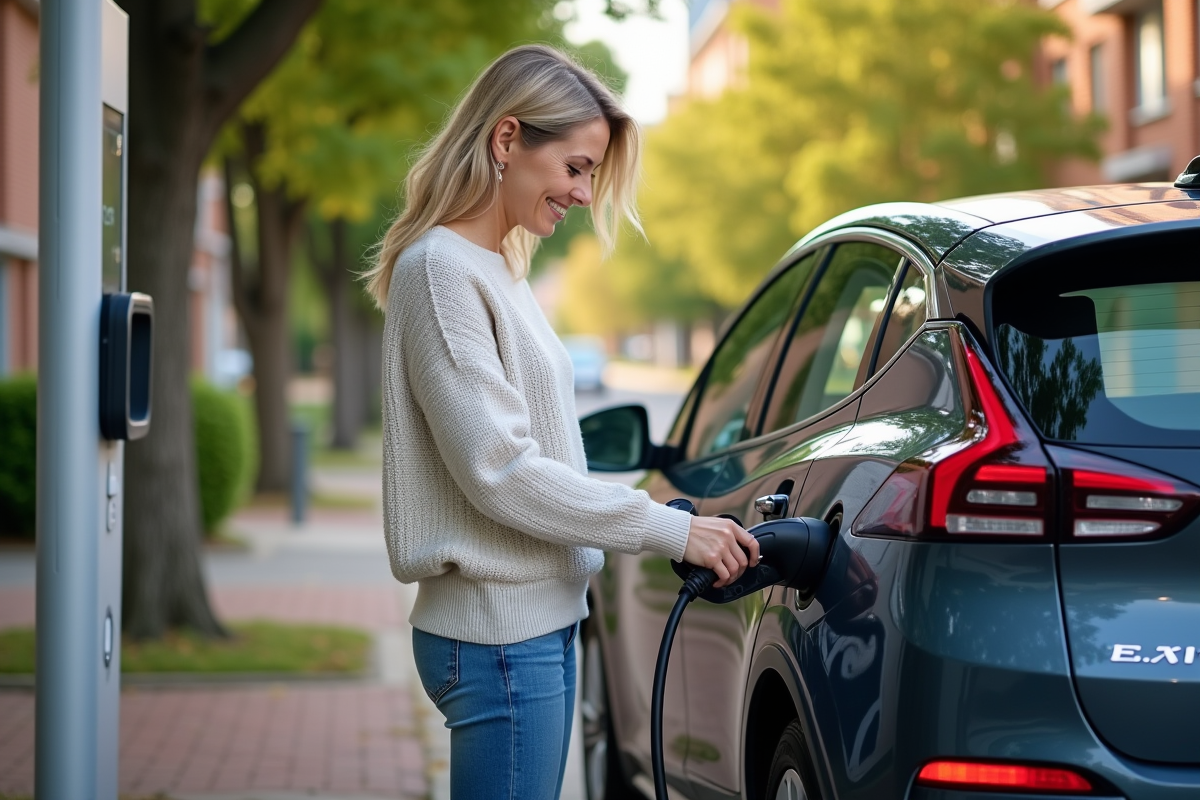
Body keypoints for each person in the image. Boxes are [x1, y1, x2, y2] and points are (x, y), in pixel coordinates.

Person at [364, 44, 758, 799]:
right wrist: (670, 528)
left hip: (531, 626)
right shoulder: (442, 271)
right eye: (576, 167)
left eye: (591, 174)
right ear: (507, 140)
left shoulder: (495, 268)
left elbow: (533, 452)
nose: (583, 194)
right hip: (500, 636)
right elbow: (501, 471)